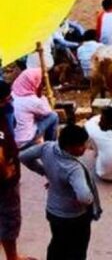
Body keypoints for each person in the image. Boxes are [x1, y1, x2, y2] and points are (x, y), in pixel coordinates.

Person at [19, 124, 101, 260]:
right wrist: (87, 200)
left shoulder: (47, 147)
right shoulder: (74, 169)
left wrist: (44, 172)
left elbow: (23, 156)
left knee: (57, 243)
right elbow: (84, 196)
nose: (85, 148)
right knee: (78, 248)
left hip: (53, 211)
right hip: (74, 216)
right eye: (81, 145)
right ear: (69, 147)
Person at [1, 80, 33, 260]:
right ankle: (12, 257)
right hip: (5, 182)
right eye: (6, 99)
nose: (10, 101)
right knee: (10, 218)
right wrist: (5, 170)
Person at [11, 68, 58, 149]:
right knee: (54, 116)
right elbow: (48, 111)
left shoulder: (13, 93)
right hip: (25, 141)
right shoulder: (33, 101)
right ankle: (50, 146)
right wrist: (41, 96)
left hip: (13, 139)